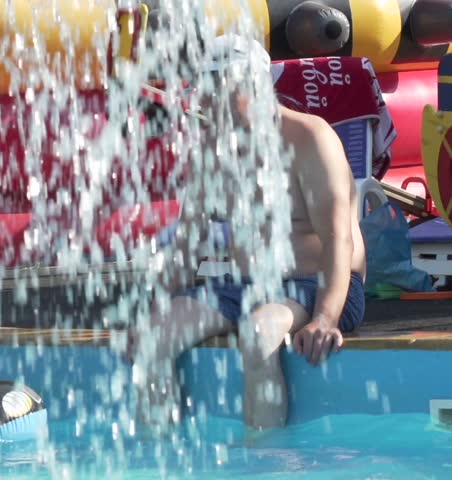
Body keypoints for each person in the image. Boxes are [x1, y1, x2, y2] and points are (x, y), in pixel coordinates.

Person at [125, 34, 367, 431]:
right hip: (245, 287)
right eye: (205, 93)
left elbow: (340, 239)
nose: (206, 105)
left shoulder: (310, 139)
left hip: (320, 284)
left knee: (257, 334)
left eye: (218, 93)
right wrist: (151, 309)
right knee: (153, 339)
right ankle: (157, 461)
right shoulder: (215, 150)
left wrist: (325, 317)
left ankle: (263, 466)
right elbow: (188, 248)